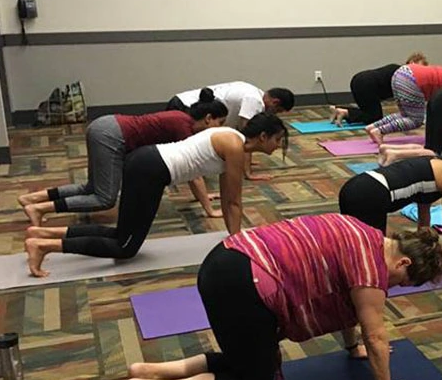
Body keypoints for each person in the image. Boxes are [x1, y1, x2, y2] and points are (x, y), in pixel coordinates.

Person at [120, 214, 442, 380]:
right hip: (242, 284)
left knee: (247, 360)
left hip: (226, 260)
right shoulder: (370, 270)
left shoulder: (363, 232)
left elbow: (347, 306)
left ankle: (152, 370)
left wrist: (352, 348)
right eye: (402, 281)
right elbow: (375, 332)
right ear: (403, 261)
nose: (391, 287)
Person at [23, 113, 288, 278]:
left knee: (122, 234)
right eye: (277, 140)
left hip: (147, 163)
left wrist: (233, 237)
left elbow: (228, 194)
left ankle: (47, 234)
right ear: (263, 136)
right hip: (150, 170)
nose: (278, 147)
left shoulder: (230, 135)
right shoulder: (234, 146)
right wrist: (238, 244)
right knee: (125, 248)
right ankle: (43, 247)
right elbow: (232, 201)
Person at [17, 89, 229, 226]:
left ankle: (33, 198)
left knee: (92, 188)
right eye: (220, 123)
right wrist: (209, 210)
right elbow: (194, 175)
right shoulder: (183, 126)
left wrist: (203, 196)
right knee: (105, 199)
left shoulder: (181, 118)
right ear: (209, 119)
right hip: (111, 136)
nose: (221, 129)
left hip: (105, 126)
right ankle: (39, 209)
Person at [338, 147, 442, 279]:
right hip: (370, 195)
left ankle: (343, 273)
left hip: (355, 187)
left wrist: (422, 249)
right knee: (376, 257)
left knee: (356, 243)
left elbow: (424, 211)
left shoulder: (438, 164)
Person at [168, 82, 295, 180]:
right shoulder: (254, 101)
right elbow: (247, 136)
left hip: (182, 102)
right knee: (186, 155)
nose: (274, 114)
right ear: (275, 102)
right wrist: (248, 173)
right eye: (277, 110)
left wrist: (241, 158)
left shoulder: (253, 91)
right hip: (184, 107)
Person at [366, 63, 442, 145]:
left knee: (405, 114)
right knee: (416, 120)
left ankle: (373, 127)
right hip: (411, 79)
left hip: (400, 74)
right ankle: (380, 131)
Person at [330, 52, 429, 126]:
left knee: (368, 111)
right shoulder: (402, 75)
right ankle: (345, 112)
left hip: (358, 80)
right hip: (366, 85)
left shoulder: (397, 69)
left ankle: (339, 109)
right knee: (375, 117)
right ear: (411, 63)